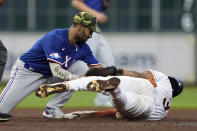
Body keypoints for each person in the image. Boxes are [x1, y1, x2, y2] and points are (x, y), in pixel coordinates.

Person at [0, 12, 102, 122]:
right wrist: (78, 81)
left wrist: (114, 75)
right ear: (80, 27)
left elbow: (99, 70)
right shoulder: (55, 37)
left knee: (80, 68)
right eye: (90, 31)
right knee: (1, 110)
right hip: (28, 72)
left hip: (50, 76)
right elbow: (56, 70)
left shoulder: (83, 47)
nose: (91, 35)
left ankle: (52, 110)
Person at [36, 66, 184, 120]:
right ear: (174, 94)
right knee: (123, 99)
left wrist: (114, 70)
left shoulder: (163, 79)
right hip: (148, 108)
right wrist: (92, 114)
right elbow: (117, 112)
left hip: (144, 86)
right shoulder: (165, 110)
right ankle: (114, 89)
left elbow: (139, 75)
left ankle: (67, 84)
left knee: (102, 80)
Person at [71, 0, 115, 107]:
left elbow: (103, 5)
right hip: (84, 27)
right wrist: (96, 14)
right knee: (81, 67)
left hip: (95, 29)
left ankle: (102, 101)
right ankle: (60, 90)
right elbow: (75, 2)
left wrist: (104, 4)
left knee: (109, 65)